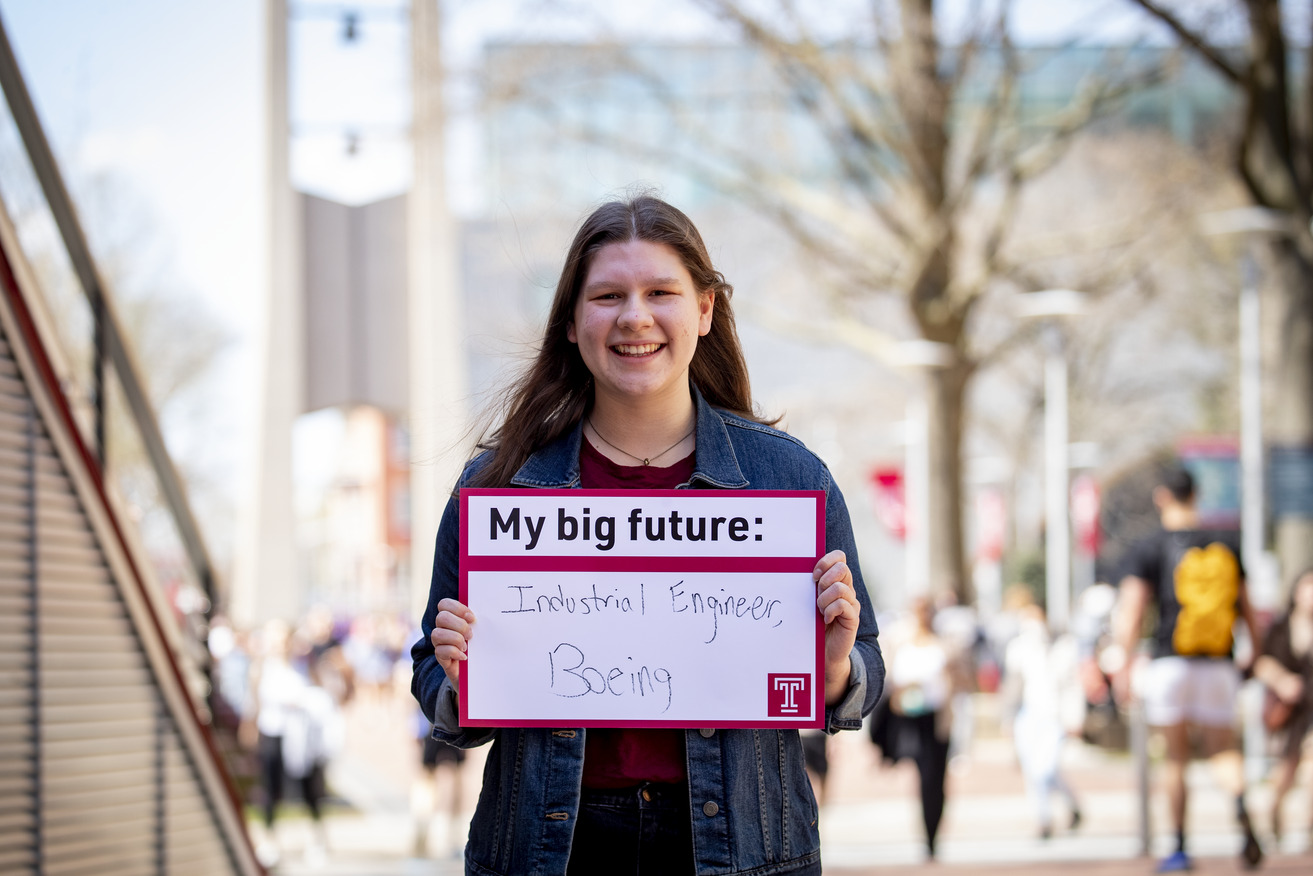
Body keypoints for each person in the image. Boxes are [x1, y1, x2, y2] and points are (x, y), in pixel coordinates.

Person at [411, 194, 884, 876]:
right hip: (552, 850)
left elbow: (863, 672)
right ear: (572, 322)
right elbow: (435, 675)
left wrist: (833, 665)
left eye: (659, 291)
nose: (634, 316)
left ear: (704, 311)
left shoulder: (790, 480)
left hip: (739, 849)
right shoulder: (496, 486)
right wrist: (460, 679)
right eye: (607, 295)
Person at [1113, 465, 1263, 872]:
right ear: (1196, 495)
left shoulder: (1150, 546)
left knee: (1176, 757)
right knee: (1223, 748)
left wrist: (1122, 664)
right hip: (1218, 664)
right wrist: (1255, 656)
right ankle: (1237, 799)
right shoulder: (1226, 543)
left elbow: (1132, 612)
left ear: (1163, 496)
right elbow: (1249, 611)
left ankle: (1178, 846)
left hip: (1169, 663)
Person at [868, 595, 953, 860]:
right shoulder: (902, 644)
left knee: (935, 780)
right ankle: (927, 837)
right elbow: (890, 682)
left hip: (935, 720)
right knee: (922, 776)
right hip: (909, 719)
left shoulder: (945, 645)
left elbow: (958, 681)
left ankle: (932, 835)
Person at [1003, 603, 1083, 840]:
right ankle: (1044, 818)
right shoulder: (1018, 649)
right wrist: (1008, 718)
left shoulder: (1063, 647)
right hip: (1028, 715)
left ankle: (1065, 806)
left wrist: (1074, 717)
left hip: (1054, 716)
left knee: (1045, 769)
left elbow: (1072, 685)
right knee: (1033, 770)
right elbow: (1012, 687)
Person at [1253, 568, 1313, 847]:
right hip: (1289, 710)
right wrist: (1282, 681)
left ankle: (1309, 829)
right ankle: (1273, 811)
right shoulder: (1281, 626)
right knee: (1285, 773)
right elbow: (1261, 662)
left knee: (1311, 769)